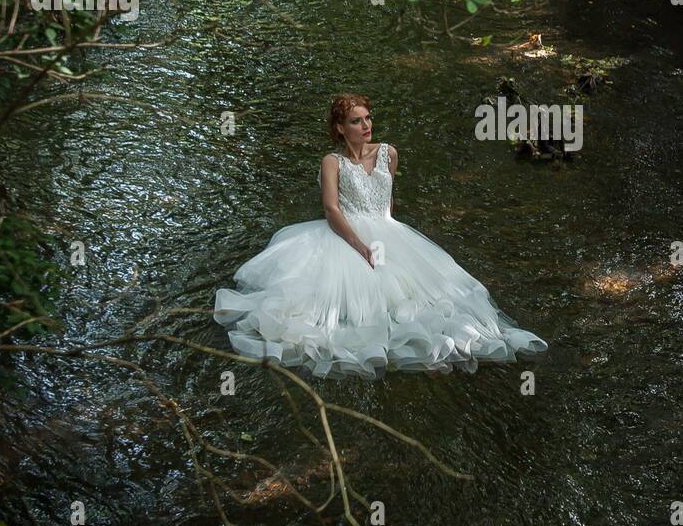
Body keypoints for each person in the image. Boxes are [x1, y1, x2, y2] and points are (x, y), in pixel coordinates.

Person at [214, 93, 548, 379]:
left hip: (389, 230)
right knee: (338, 308)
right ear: (340, 129)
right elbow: (331, 209)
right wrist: (360, 246)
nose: (366, 125)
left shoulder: (389, 153)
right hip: (345, 234)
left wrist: (394, 241)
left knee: (426, 295)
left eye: (368, 118)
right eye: (357, 121)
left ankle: (429, 341)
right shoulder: (331, 162)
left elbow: (388, 200)